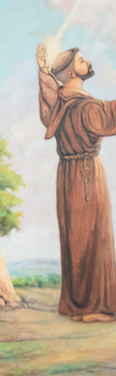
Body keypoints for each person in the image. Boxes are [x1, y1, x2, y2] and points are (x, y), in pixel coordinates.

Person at [36, 43, 116, 321]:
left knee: (76, 238)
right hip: (88, 175)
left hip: (67, 175)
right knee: (94, 237)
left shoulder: (58, 104)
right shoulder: (86, 107)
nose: (88, 62)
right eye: (82, 60)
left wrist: (43, 72)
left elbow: (49, 97)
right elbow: (110, 114)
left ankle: (77, 304)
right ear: (71, 71)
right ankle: (96, 307)